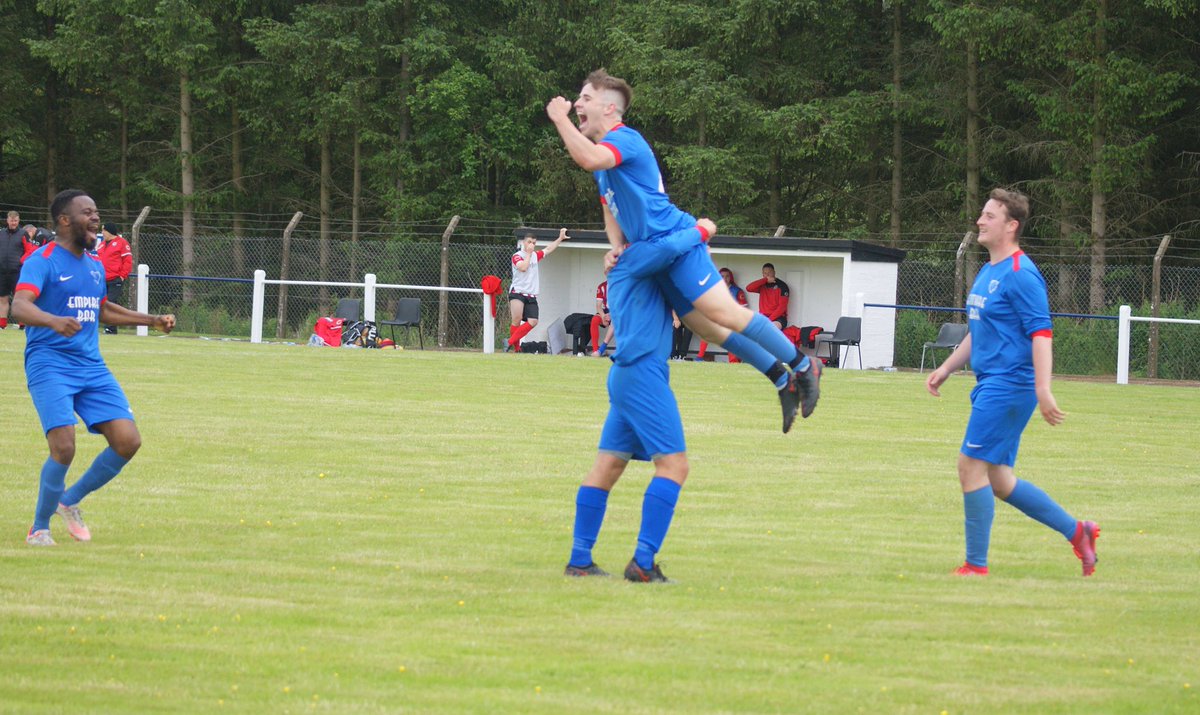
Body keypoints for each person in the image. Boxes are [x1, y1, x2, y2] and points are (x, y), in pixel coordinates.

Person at [546, 69, 820, 432]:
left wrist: (558, 117)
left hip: (676, 243)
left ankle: (803, 366)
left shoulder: (625, 139)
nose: (577, 103)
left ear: (610, 108)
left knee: (726, 314)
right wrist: (616, 246)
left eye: (585, 98)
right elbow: (609, 206)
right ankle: (782, 381)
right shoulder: (604, 160)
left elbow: (588, 159)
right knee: (707, 329)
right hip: (654, 250)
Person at [925, 188, 1099, 577]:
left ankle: (976, 566)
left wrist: (1042, 390)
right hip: (992, 383)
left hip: (1009, 386)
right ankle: (1079, 532)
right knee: (1000, 481)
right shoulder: (989, 270)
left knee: (969, 467)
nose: (980, 221)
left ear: (1011, 225)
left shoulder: (1022, 275)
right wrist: (948, 367)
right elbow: (980, 330)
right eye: (982, 214)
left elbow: (1041, 334)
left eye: (989, 216)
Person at [11, 189, 176, 546]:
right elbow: (19, 307)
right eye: (88, 213)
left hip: (91, 367)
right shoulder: (43, 260)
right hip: (49, 364)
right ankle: (39, 527)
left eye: (97, 213)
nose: (96, 218)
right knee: (64, 446)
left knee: (128, 441)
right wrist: (54, 321)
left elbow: (102, 310)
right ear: (64, 220)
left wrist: (151, 319)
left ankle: (68, 501)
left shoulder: (95, 264)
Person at [563, 237, 691, 582]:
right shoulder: (644, 262)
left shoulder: (625, 266)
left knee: (608, 465)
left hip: (625, 373)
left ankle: (579, 560)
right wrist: (702, 231)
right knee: (674, 466)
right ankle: (643, 563)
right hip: (643, 373)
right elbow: (673, 252)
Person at [505, 228, 569, 352]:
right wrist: (528, 254)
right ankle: (516, 349)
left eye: (534, 243)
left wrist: (560, 238)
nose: (531, 245)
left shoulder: (535, 255)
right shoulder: (517, 256)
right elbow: (523, 267)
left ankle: (509, 342)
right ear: (524, 242)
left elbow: (549, 249)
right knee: (516, 320)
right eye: (529, 242)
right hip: (517, 292)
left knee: (533, 321)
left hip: (531, 295)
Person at [696, 266, 747, 362]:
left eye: (727, 276)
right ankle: (699, 357)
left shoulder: (737, 291)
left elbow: (743, 310)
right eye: (722, 276)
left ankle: (733, 362)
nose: (725, 279)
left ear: (730, 277)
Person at [96, 222, 132, 334]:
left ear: (109, 231)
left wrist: (122, 276)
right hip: (102, 280)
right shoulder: (101, 245)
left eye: (104, 230)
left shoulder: (122, 243)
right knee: (101, 303)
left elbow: (127, 261)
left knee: (110, 303)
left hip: (115, 279)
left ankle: (110, 328)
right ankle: (110, 328)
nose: (102, 233)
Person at [745, 263, 790, 330]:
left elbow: (782, 308)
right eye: (765, 273)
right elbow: (749, 288)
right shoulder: (762, 285)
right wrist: (764, 280)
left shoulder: (782, 286)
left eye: (769, 272)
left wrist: (768, 320)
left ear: (774, 272)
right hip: (763, 317)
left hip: (778, 318)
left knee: (770, 329)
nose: (767, 275)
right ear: (762, 274)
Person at [0, 210, 24, 329]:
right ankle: (2, 324)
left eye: (15, 220)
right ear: (7, 220)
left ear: (18, 220)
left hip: (17, 271)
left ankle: (22, 324)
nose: (13, 223)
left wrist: (21, 261)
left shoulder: (23, 234)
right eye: (11, 220)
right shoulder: (1, 233)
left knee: (18, 299)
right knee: (2, 298)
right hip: (2, 271)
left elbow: (30, 250)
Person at [589, 279, 614, 357]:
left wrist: (612, 314)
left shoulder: (621, 285)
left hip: (618, 312)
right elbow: (598, 306)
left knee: (616, 322)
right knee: (595, 320)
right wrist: (603, 316)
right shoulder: (602, 286)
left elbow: (623, 304)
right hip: (606, 312)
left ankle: (602, 350)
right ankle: (595, 351)